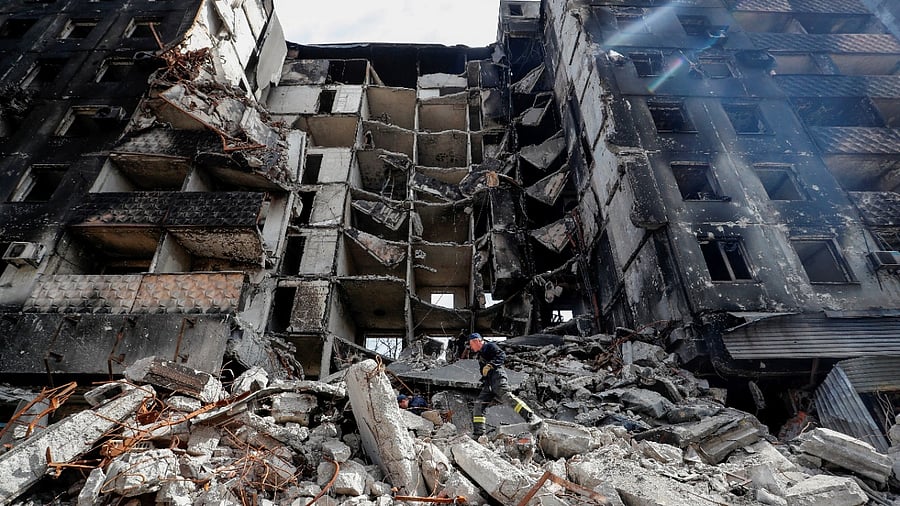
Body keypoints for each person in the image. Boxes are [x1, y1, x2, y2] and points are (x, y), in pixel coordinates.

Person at [468, 333, 541, 438]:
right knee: (479, 404)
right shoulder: (480, 355)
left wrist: (490, 365)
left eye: (471, 344)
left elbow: (502, 355)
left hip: (497, 377)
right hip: (489, 383)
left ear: (477, 341)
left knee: (507, 397)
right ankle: (479, 434)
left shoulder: (489, 346)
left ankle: (531, 417)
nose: (471, 347)